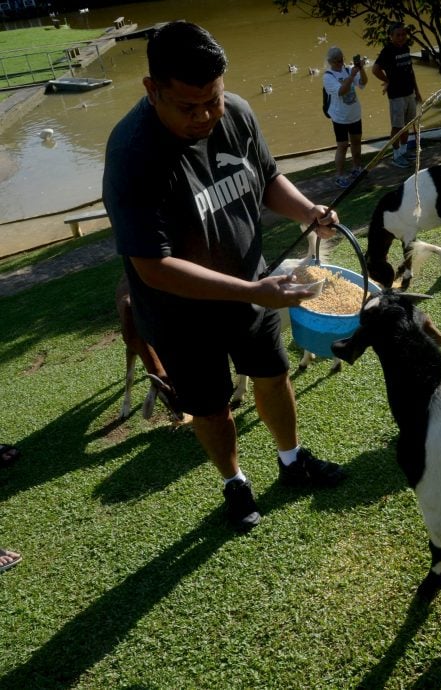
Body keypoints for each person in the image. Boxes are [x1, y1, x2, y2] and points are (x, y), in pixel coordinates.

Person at [102, 21, 347, 532]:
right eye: (188, 107)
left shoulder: (235, 111)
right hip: (180, 313)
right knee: (211, 408)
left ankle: (291, 458)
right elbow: (153, 266)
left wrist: (308, 213)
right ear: (152, 90)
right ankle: (234, 481)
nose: (206, 116)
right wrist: (253, 290)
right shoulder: (132, 154)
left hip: (253, 286)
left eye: (211, 99)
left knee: (273, 376)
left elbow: (267, 177)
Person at [372, 22, 422, 169]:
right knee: (397, 126)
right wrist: (388, 80)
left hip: (409, 93)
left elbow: (410, 71)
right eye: (398, 35)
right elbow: (375, 69)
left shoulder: (406, 48)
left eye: (403, 35)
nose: (401, 37)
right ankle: (396, 155)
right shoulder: (387, 51)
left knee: (407, 124)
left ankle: (403, 151)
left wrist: (417, 91)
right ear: (391, 36)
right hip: (396, 95)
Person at [323, 46, 367, 189]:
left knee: (356, 142)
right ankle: (340, 176)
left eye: (342, 60)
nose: (341, 63)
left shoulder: (348, 69)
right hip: (340, 117)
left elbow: (363, 83)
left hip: (354, 114)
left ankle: (357, 168)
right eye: (338, 61)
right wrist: (352, 76)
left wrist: (361, 69)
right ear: (331, 62)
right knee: (342, 146)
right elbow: (341, 91)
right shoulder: (328, 76)